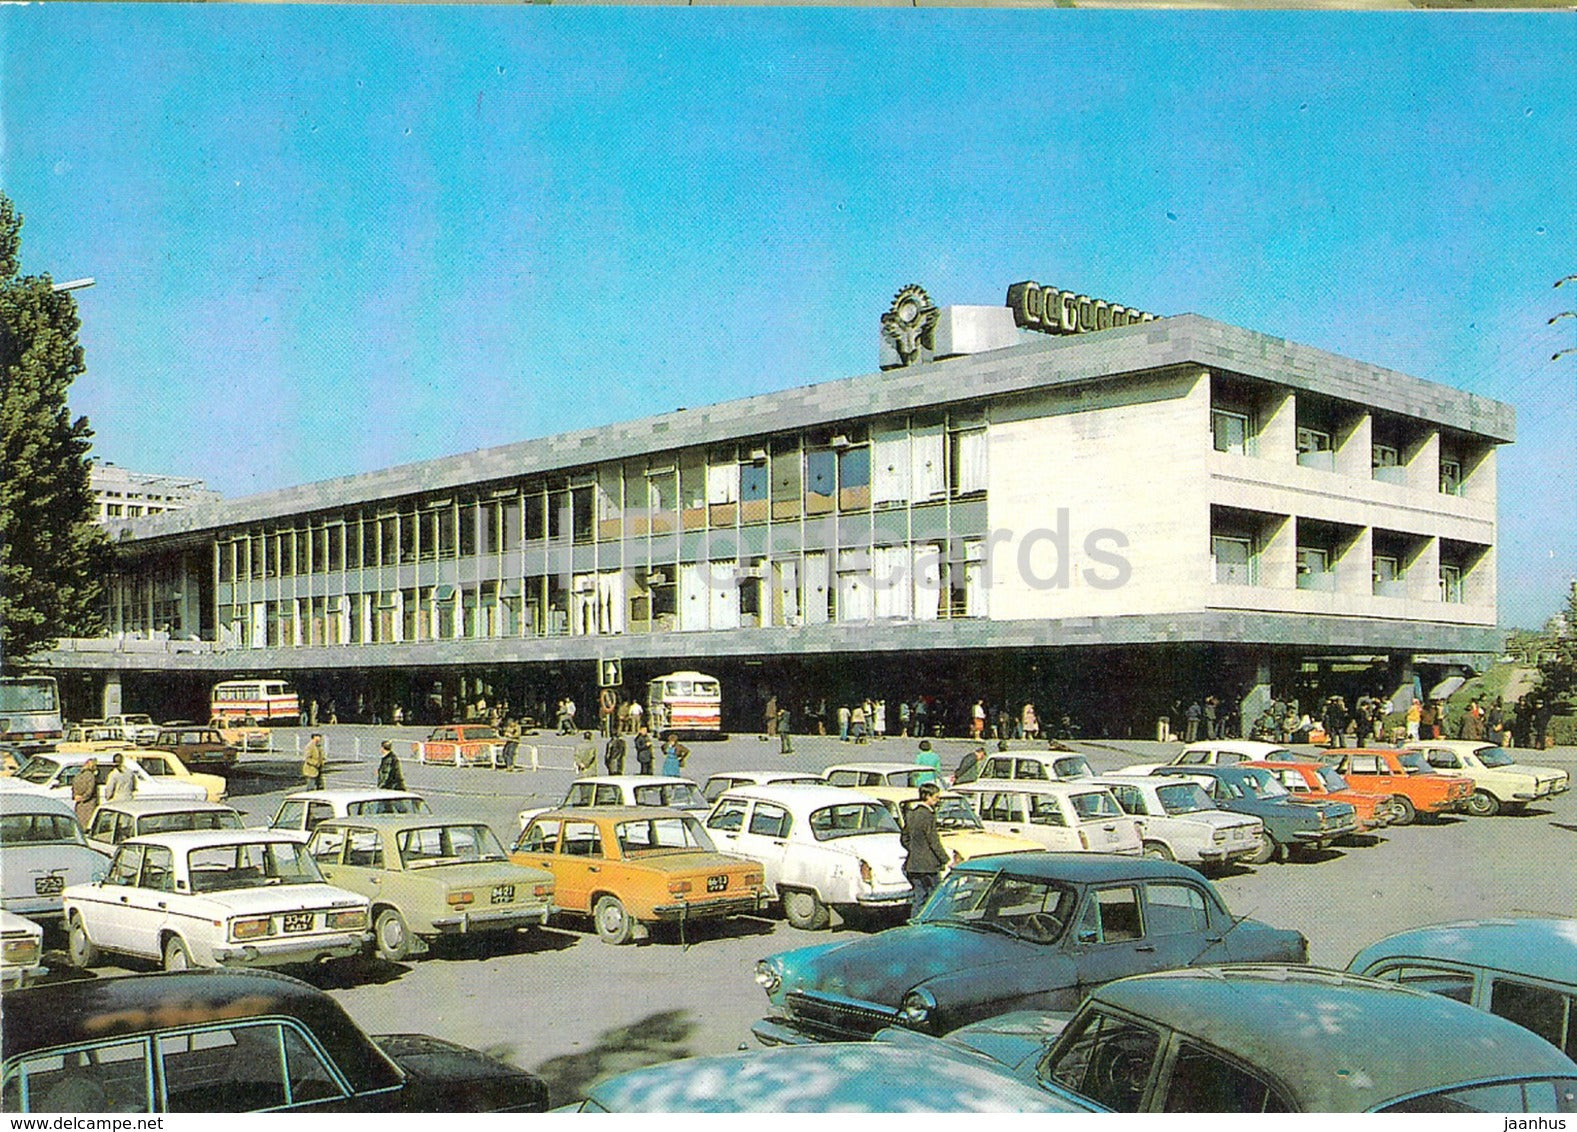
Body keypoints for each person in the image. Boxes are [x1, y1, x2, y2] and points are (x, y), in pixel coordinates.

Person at [901, 782, 949, 919]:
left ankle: (916, 922)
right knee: (937, 897)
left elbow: (904, 838)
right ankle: (934, 921)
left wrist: (915, 850)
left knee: (919, 896)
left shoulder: (912, 814)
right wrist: (944, 859)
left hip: (913, 864)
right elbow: (933, 840)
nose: (938, 800)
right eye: (936, 797)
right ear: (927, 796)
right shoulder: (928, 815)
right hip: (929, 865)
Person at [72, 758, 99, 828]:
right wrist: (83, 798)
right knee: (88, 823)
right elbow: (90, 790)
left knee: (79, 822)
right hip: (88, 804)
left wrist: (75, 796)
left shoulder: (78, 775)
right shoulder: (91, 776)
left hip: (79, 804)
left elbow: (73, 787)